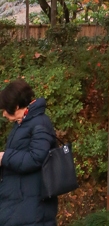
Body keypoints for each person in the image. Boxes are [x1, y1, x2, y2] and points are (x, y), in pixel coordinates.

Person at [0, 79, 58, 226]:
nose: (4, 114)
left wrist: (4, 157)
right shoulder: (22, 124)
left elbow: (37, 158)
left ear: (16, 106)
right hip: (19, 203)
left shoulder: (40, 123)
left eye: (5, 109)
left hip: (33, 207)